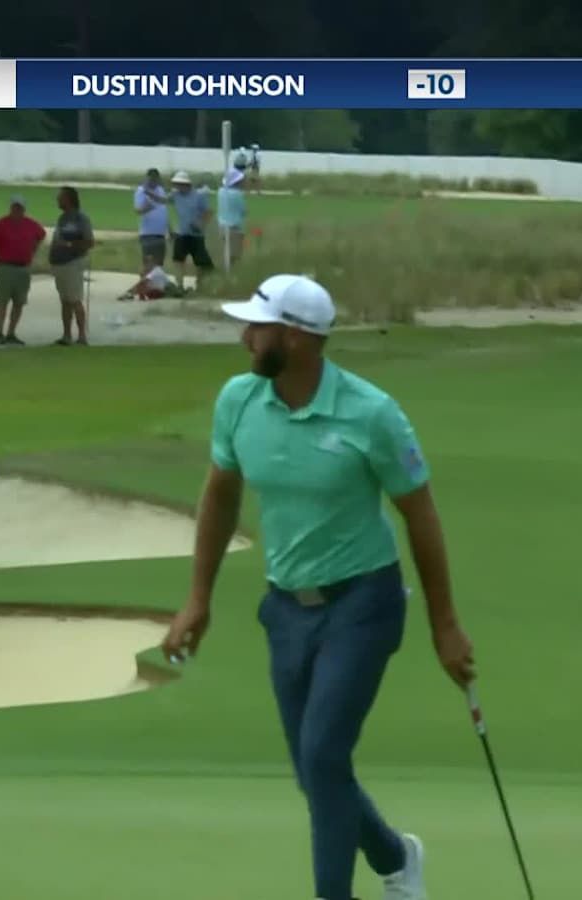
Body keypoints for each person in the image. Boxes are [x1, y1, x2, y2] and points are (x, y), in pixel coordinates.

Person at [161, 274, 475, 900]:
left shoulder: (371, 414)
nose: (245, 338)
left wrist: (444, 625)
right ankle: (397, 857)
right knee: (315, 770)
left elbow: (420, 514)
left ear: (296, 338)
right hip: (285, 610)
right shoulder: (239, 400)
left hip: (363, 604)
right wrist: (198, 598)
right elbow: (220, 496)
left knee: (324, 754)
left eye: (258, 328)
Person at [0, 195, 47, 346]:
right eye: (15, 207)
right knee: (3, 301)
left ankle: (11, 333)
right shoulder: (0, 224)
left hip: (23, 267)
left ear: (24, 209)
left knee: (19, 302)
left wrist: (33, 252)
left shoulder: (31, 224)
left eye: (20, 207)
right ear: (11, 207)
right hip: (5, 266)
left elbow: (41, 236)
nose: (17, 210)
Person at [48, 186, 95, 346]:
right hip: (59, 264)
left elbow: (89, 242)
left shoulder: (81, 219)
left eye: (60, 197)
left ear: (69, 199)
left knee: (75, 300)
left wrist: (68, 245)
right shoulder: (62, 218)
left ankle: (82, 336)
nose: (58, 200)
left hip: (73, 263)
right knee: (65, 301)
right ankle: (66, 335)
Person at [168, 171, 212, 292]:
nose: (178, 186)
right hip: (181, 233)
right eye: (177, 184)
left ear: (187, 184)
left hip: (196, 234)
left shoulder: (199, 196)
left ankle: (200, 285)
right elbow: (162, 200)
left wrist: (201, 223)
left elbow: (208, 212)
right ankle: (179, 285)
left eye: (181, 184)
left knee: (200, 262)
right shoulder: (175, 195)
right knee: (178, 260)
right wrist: (149, 193)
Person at [134, 168, 168, 275]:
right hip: (147, 233)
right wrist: (147, 207)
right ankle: (144, 283)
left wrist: (170, 228)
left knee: (159, 263)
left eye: (155, 178)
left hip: (161, 233)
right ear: (147, 178)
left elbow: (164, 211)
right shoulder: (141, 191)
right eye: (151, 178)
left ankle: (155, 284)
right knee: (148, 263)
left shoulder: (161, 190)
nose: (153, 181)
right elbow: (138, 210)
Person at [216, 168, 248, 268]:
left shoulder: (220, 191)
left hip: (222, 226)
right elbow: (243, 211)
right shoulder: (237, 194)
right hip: (234, 228)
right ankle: (231, 274)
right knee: (234, 255)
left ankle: (225, 271)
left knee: (225, 253)